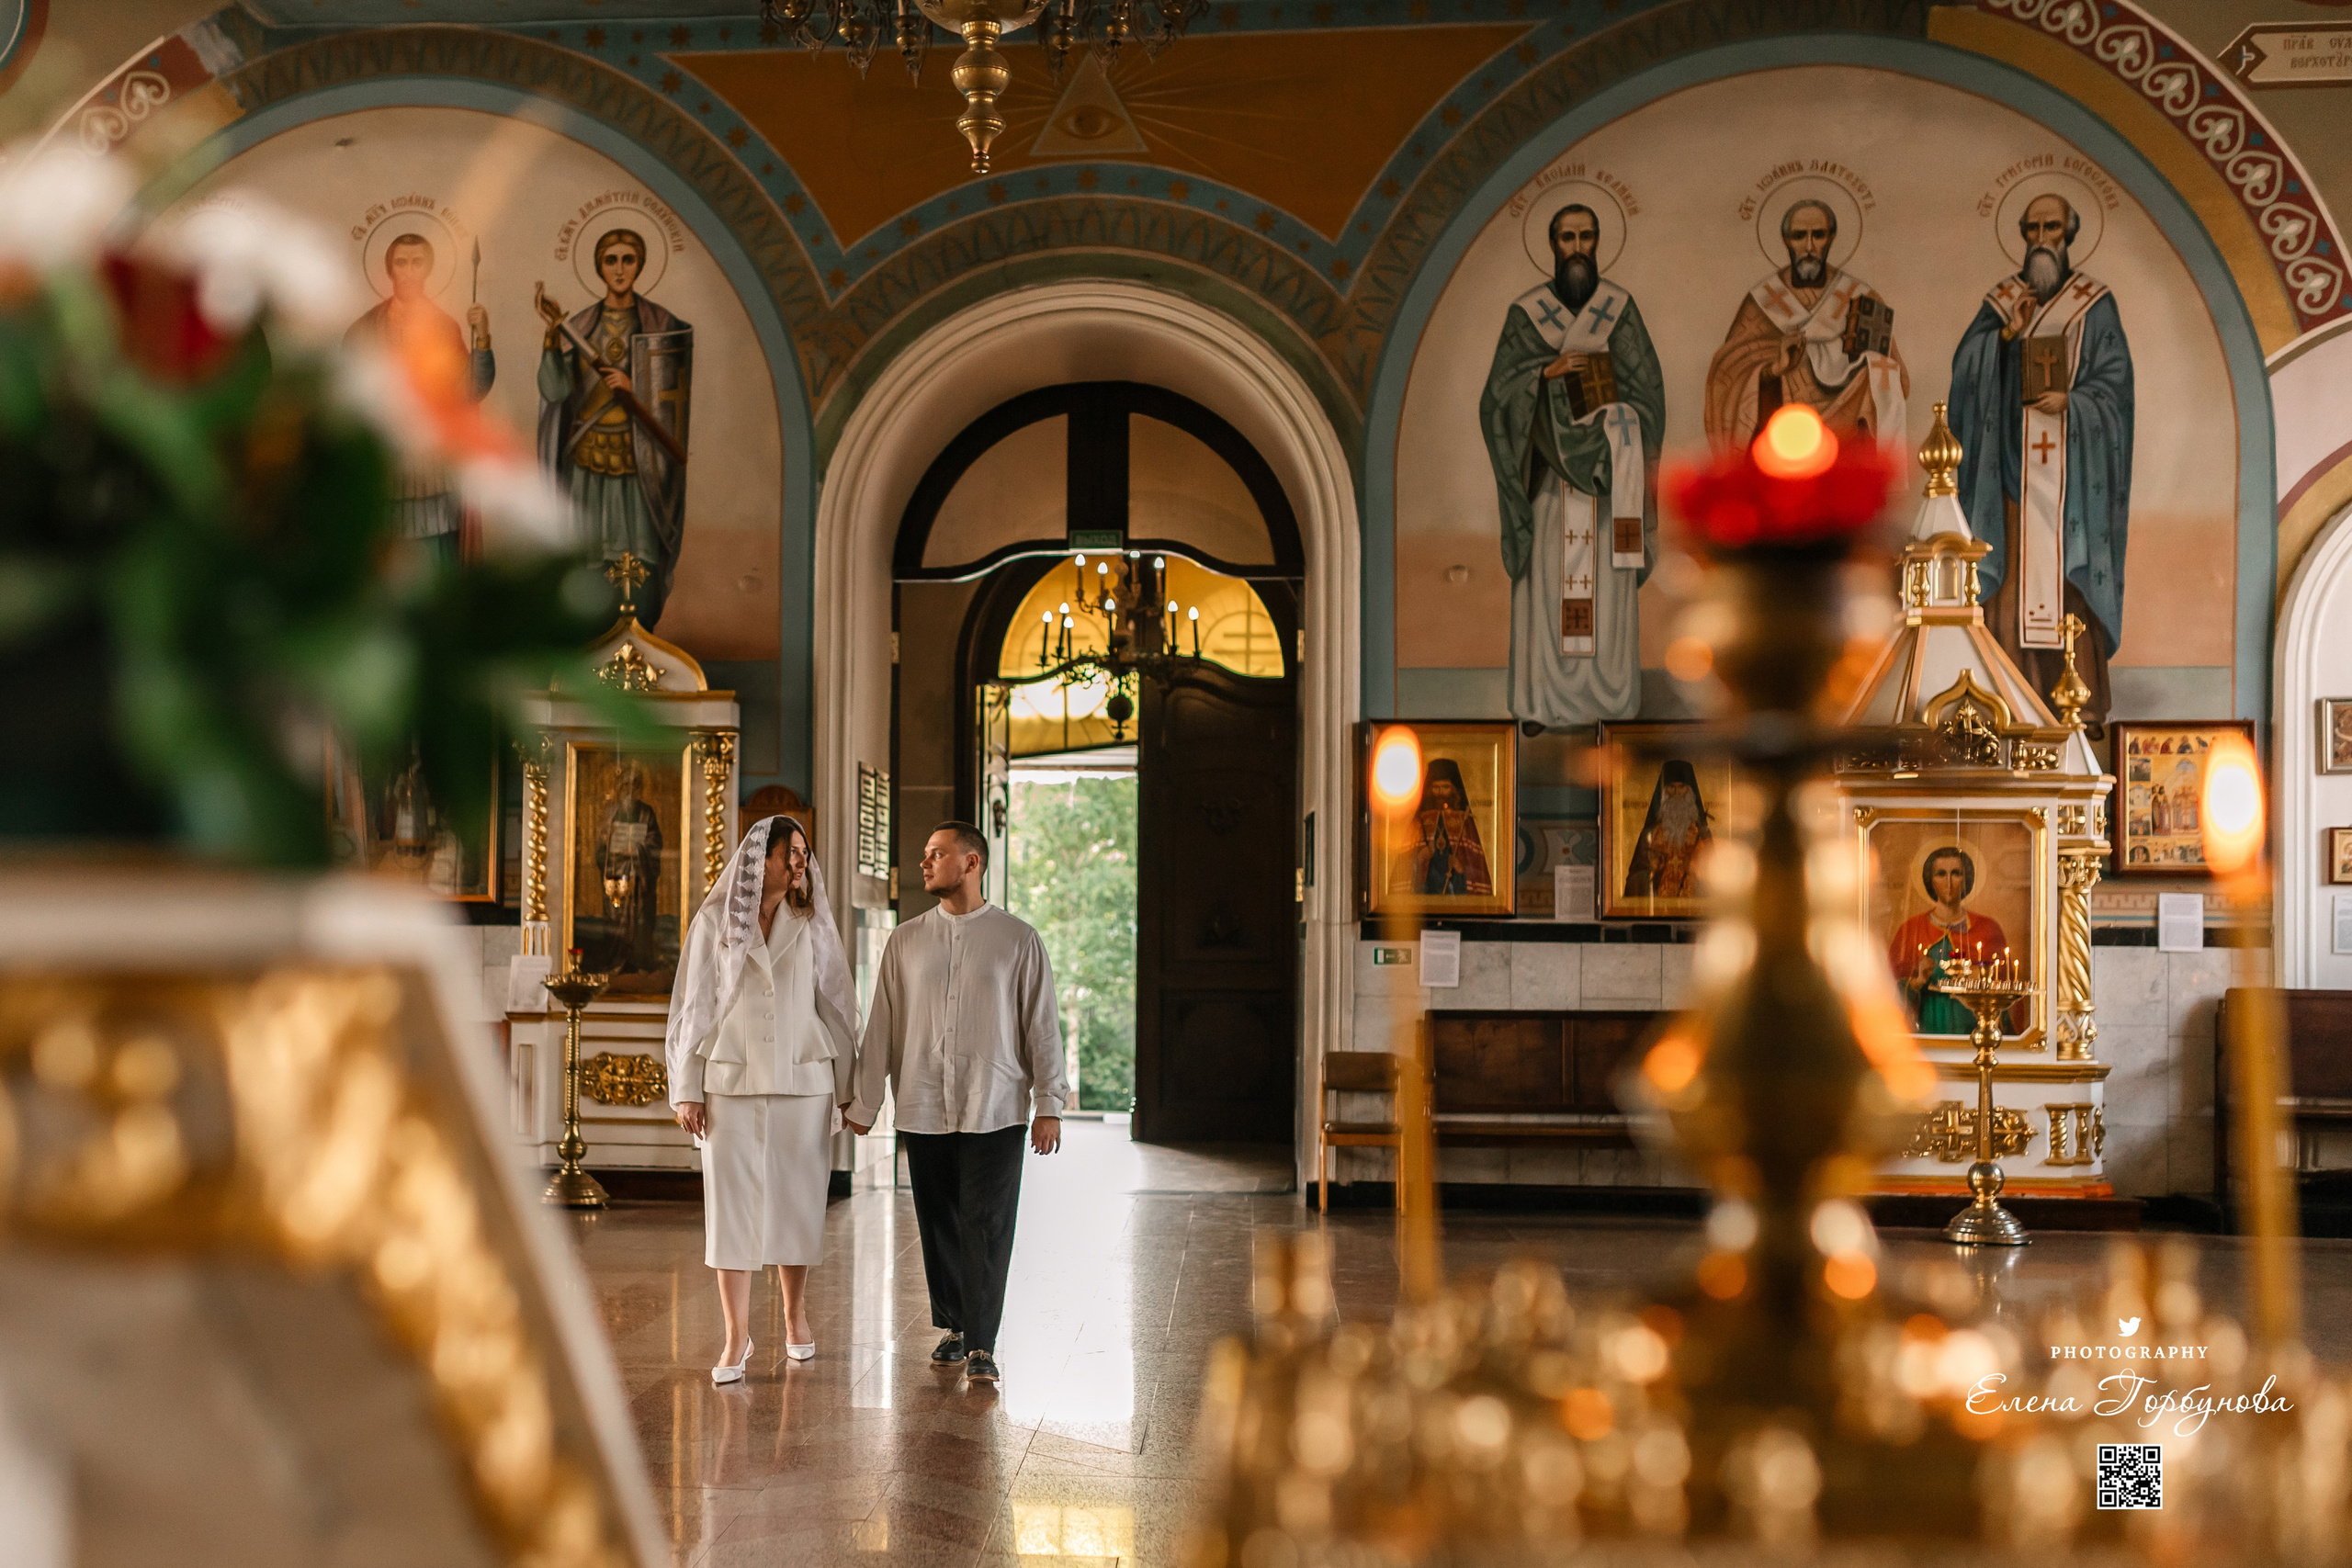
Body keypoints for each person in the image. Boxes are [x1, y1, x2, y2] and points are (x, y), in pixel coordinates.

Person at [846, 820, 1066, 1386]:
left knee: (987, 1223)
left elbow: (1041, 1026)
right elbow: (883, 1027)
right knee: (938, 1220)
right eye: (925, 853)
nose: (925, 863)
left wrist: (1050, 1104)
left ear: (972, 863)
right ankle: (955, 1327)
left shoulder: (1018, 940)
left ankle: (983, 1343)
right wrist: (865, 1102)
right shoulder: (905, 941)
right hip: (923, 1104)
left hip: (996, 1106)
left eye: (937, 854)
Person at [664, 817, 860, 1384]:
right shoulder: (715, 923)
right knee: (731, 1211)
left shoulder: (812, 921)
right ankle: (736, 1337)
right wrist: (686, 1088)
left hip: (804, 1081)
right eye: (792, 853)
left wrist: (849, 1093)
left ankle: (795, 1317)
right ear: (761, 860)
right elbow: (691, 1006)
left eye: (804, 853)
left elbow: (838, 1005)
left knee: (798, 1202)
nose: (802, 862)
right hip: (729, 1081)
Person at [1949, 192, 2134, 731]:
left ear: (2069, 236)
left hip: (2069, 486)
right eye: (2031, 229)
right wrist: (2004, 335)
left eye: (2051, 228)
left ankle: (2076, 707)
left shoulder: (2094, 305)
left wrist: (2072, 403)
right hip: (2009, 475)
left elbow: (2116, 388)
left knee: (2064, 587)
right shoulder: (2004, 301)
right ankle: (2005, 703)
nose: (2040, 239)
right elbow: (1967, 369)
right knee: (2007, 587)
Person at [1478, 202, 1665, 731]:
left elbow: (1649, 396)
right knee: (1546, 592)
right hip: (1550, 489)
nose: (1577, 248)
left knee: (1606, 590)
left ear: (1599, 243)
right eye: (1567, 238)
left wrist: (1620, 423)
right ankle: (1541, 704)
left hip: (1610, 490)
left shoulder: (1619, 310)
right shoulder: (1526, 314)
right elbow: (1496, 398)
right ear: (1552, 245)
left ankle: (1610, 700)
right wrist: (1544, 373)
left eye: (1586, 237)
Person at [536, 228, 693, 626]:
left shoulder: (662, 325)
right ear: (599, 268)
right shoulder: (582, 326)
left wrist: (634, 387)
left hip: (641, 465)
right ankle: (591, 638)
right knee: (589, 554)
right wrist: (552, 343)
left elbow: (673, 398)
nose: (620, 269)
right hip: (586, 460)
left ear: (640, 265)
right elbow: (555, 392)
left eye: (628, 259)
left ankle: (635, 638)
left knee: (638, 556)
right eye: (611, 260)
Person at [1703, 198, 1906, 455]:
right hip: (1783, 445)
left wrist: (1867, 370)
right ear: (1786, 241)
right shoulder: (1762, 301)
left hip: (1846, 449)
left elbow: (1894, 374)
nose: (1809, 246)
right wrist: (1771, 371)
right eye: (1799, 236)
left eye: (1818, 235)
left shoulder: (1863, 298)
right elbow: (1727, 374)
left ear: (1831, 239)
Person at [343, 231, 492, 567]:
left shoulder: (444, 328)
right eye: (401, 263)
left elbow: (470, 392)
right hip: (383, 471)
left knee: (435, 564)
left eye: (417, 263)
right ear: (390, 270)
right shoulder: (363, 330)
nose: (409, 271)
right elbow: (346, 401)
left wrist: (482, 337)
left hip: (430, 477)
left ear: (429, 270)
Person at [1886, 846, 2016, 1034]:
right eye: (1941, 874)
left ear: (1966, 879)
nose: (1948, 882)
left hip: (1975, 1033)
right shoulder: (1912, 929)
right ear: (1930, 880)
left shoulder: (1987, 928)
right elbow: (1886, 989)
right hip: (1929, 1030)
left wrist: (1979, 976)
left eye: (1956, 874)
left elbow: (2005, 991)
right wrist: (1917, 982)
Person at [1390, 758, 1492, 897]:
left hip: (1454, 890)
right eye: (1436, 787)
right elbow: (1404, 868)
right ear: (1430, 789)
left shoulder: (1464, 821)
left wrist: (1460, 868)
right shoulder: (1420, 821)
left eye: (1445, 787)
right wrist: (1419, 858)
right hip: (1425, 891)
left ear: (1454, 790)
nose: (1440, 792)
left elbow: (1476, 868)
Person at [1622, 759, 1712, 901]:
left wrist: (1695, 870)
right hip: (1658, 905)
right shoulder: (1650, 833)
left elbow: (1714, 878)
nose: (1676, 792)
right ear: (1664, 792)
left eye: (1682, 787)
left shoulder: (1701, 834)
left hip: (1692, 907)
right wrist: (1654, 871)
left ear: (1690, 792)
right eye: (1671, 787)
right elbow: (1635, 878)